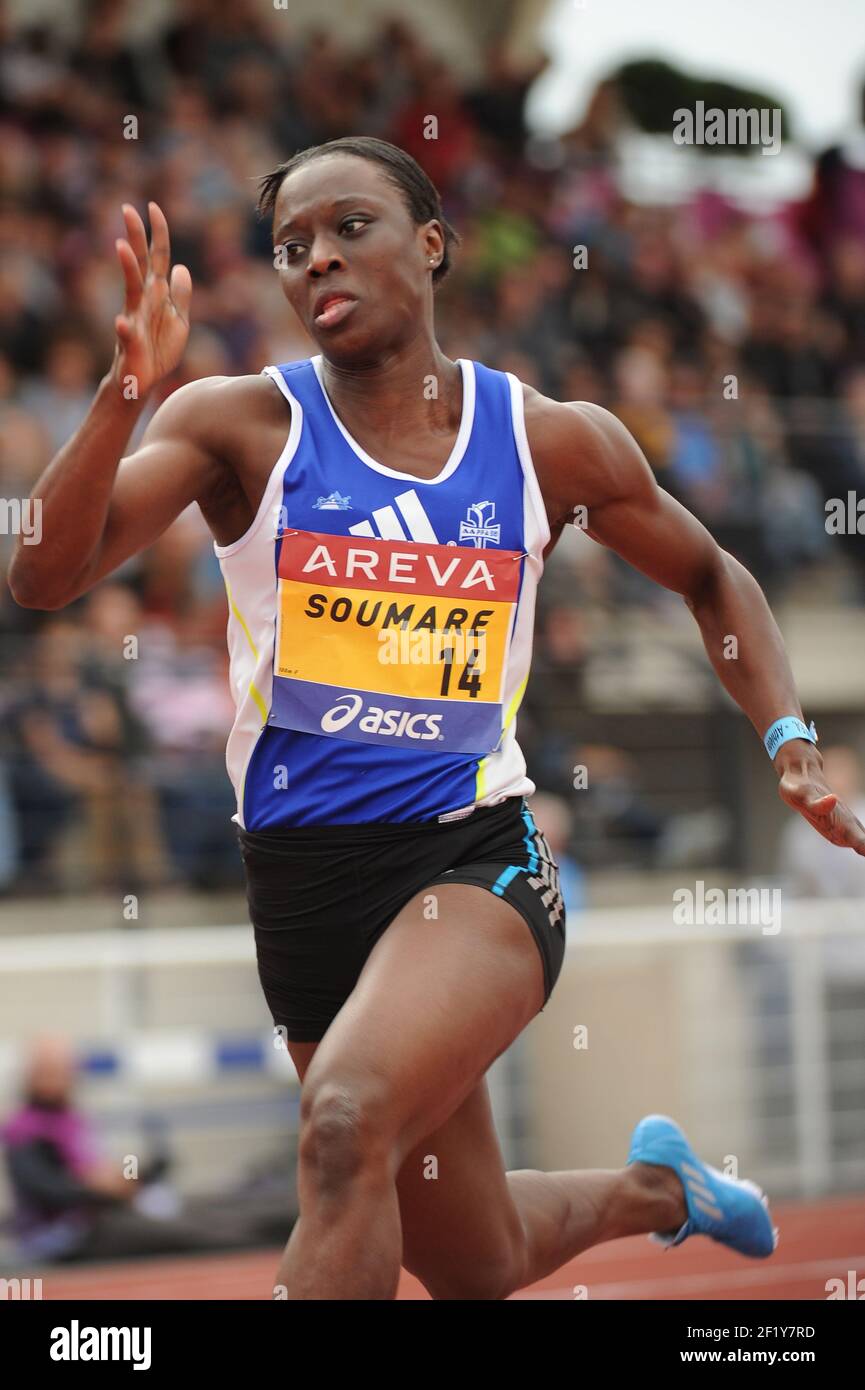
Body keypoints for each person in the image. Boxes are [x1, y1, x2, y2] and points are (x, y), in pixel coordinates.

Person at [9, 136, 865, 1301]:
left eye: (348, 226)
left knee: (342, 1119)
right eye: (291, 247)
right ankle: (660, 1192)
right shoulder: (237, 428)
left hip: (472, 858)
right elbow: (41, 579)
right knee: (476, 1260)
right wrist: (123, 396)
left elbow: (714, 575)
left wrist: (787, 739)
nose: (317, 259)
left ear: (431, 243)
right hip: (303, 883)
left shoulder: (546, 441)